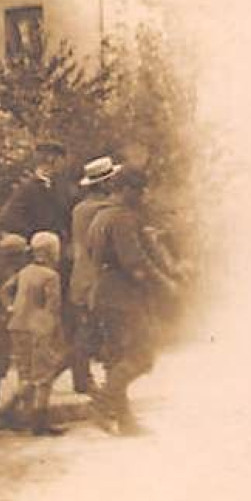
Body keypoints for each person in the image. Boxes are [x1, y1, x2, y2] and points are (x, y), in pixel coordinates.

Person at [83, 157, 179, 435]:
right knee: (142, 357)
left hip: (102, 291)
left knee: (117, 359)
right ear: (125, 189)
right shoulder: (123, 217)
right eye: (139, 189)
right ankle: (102, 403)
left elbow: (92, 254)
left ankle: (126, 422)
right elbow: (135, 264)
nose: (142, 195)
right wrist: (165, 285)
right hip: (123, 297)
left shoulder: (100, 215)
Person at [0, 231, 67, 435]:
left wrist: (10, 307)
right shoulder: (51, 276)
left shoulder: (25, 271)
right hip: (39, 329)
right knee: (43, 376)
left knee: (25, 373)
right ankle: (36, 420)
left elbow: (4, 290)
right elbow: (53, 308)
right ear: (50, 252)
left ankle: (20, 413)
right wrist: (55, 332)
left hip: (17, 326)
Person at [67, 156, 122, 396]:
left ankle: (81, 378)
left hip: (80, 274)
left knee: (84, 329)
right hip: (100, 276)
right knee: (109, 330)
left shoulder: (79, 209)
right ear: (105, 184)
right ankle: (110, 383)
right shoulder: (107, 210)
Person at [0, 233, 31, 411]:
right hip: (20, 320)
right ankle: (21, 400)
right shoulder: (24, 273)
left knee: (0, 356)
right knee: (23, 359)